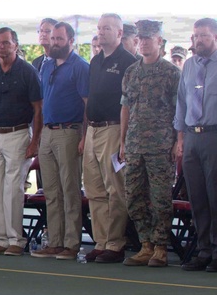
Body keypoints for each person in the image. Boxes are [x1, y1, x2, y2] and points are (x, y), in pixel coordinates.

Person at [119, 20, 181, 267]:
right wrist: (122, 141)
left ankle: (161, 247)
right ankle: (145, 244)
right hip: (134, 144)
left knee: (160, 199)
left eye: (148, 38)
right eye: (140, 39)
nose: (143, 42)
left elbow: (179, 110)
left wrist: (177, 141)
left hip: (160, 146)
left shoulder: (171, 73)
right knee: (134, 196)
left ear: (160, 42)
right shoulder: (131, 72)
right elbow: (125, 107)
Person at [0, 27, 42, 256]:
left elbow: (38, 109)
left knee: (13, 189)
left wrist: (34, 142)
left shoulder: (27, 71)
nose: (0, 47)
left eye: (5, 43)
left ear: (15, 44)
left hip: (18, 133)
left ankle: (16, 240)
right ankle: (1, 239)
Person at [31, 22, 90, 261]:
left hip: (69, 131)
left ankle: (71, 243)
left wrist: (84, 136)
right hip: (48, 131)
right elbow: (43, 102)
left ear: (71, 41)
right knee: (51, 191)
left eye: (59, 39)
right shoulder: (47, 66)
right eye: (52, 38)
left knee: (70, 189)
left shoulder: (80, 67)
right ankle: (54, 241)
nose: (54, 42)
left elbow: (88, 104)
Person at [83, 14, 137, 264]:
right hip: (93, 129)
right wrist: (85, 134)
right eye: (99, 28)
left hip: (114, 129)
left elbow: (131, 104)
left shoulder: (128, 61)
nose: (102, 32)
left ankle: (115, 243)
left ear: (119, 32)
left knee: (114, 187)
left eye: (107, 28)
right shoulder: (95, 61)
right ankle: (101, 240)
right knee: (94, 189)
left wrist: (125, 138)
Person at [174, 17, 217, 272]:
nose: (198, 40)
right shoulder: (189, 65)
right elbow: (182, 102)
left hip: (214, 136)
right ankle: (203, 250)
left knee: (215, 195)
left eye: (203, 35)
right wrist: (180, 139)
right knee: (197, 196)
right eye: (195, 36)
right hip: (191, 137)